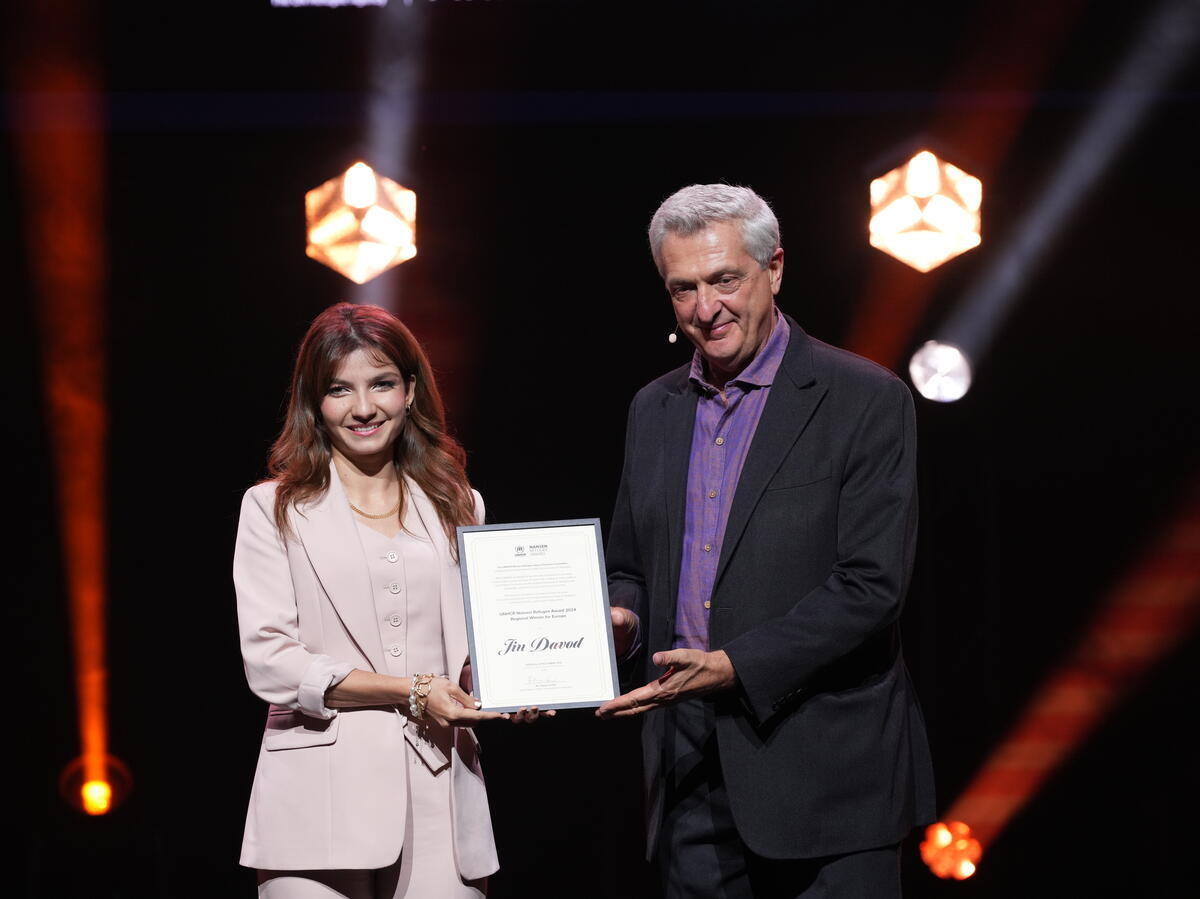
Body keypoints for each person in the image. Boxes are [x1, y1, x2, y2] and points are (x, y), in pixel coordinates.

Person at [597, 185, 936, 897]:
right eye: (682, 288)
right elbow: (630, 565)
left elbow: (871, 585)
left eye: (725, 279)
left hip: (830, 780)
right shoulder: (653, 408)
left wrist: (735, 666)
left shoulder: (865, 398)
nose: (705, 307)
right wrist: (620, 619)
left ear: (774, 268)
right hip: (688, 770)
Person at [234, 302, 545, 898]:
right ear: (313, 401)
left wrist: (519, 682)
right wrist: (410, 691)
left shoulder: (461, 505)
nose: (364, 408)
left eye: (381, 384)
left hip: (440, 791)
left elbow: (467, 656)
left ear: (410, 390)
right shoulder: (271, 509)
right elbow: (271, 661)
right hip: (317, 796)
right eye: (339, 390)